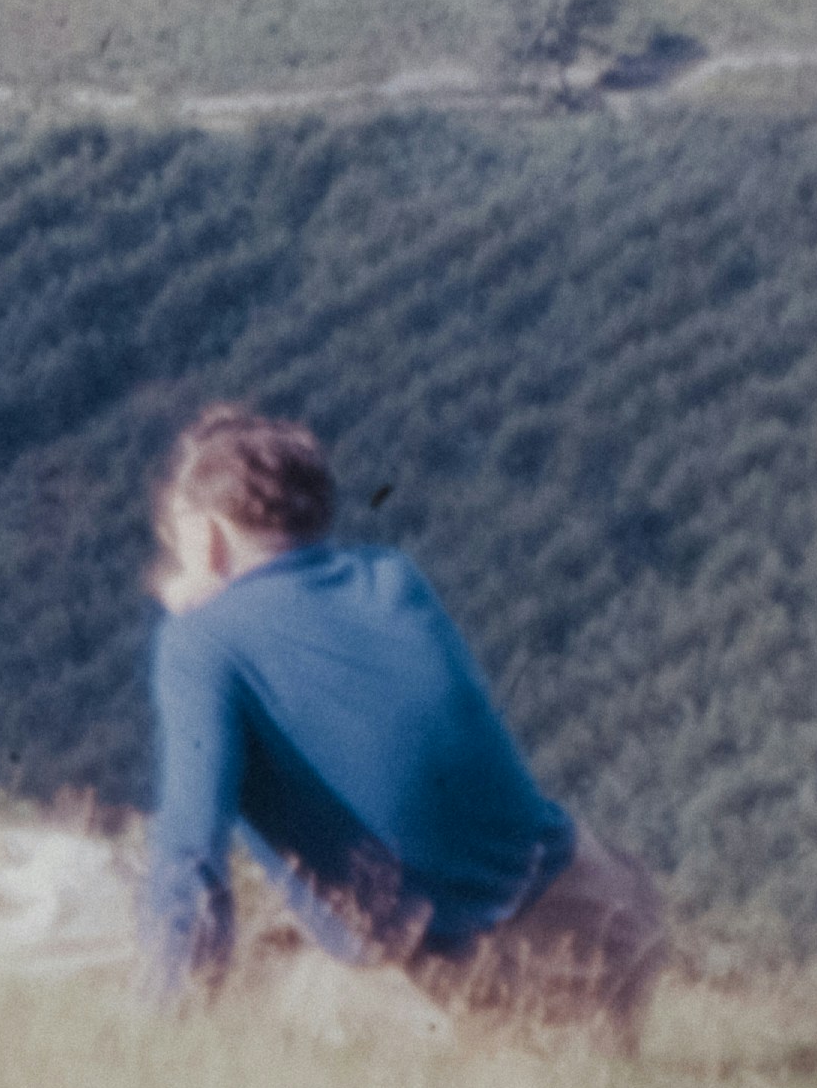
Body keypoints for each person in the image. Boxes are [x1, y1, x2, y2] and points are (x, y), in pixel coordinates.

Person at [136, 403, 666, 1040]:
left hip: (485, 992)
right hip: (612, 926)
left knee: (261, 994)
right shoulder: (393, 576)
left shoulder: (201, 644)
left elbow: (192, 857)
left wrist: (160, 1034)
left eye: (176, 541)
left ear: (205, 536)